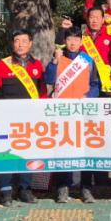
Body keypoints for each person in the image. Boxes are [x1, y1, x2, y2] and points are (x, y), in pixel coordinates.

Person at [0, 29, 47, 207]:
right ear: (12, 44)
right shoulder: (2, 64)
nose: (20, 44)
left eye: (24, 41)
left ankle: (25, 189)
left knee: (28, 153)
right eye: (17, 41)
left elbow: (42, 91)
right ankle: (6, 191)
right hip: (7, 118)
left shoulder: (37, 65)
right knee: (6, 153)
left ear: (30, 44)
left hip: (30, 119)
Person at [44, 26, 100, 204]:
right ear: (64, 41)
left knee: (86, 151)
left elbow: (96, 84)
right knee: (63, 149)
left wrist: (88, 97)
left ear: (81, 41)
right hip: (63, 113)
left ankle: (86, 189)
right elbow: (48, 80)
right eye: (69, 39)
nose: (73, 43)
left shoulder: (88, 60)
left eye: (76, 39)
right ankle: (63, 187)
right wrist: (54, 61)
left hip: (83, 112)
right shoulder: (58, 58)